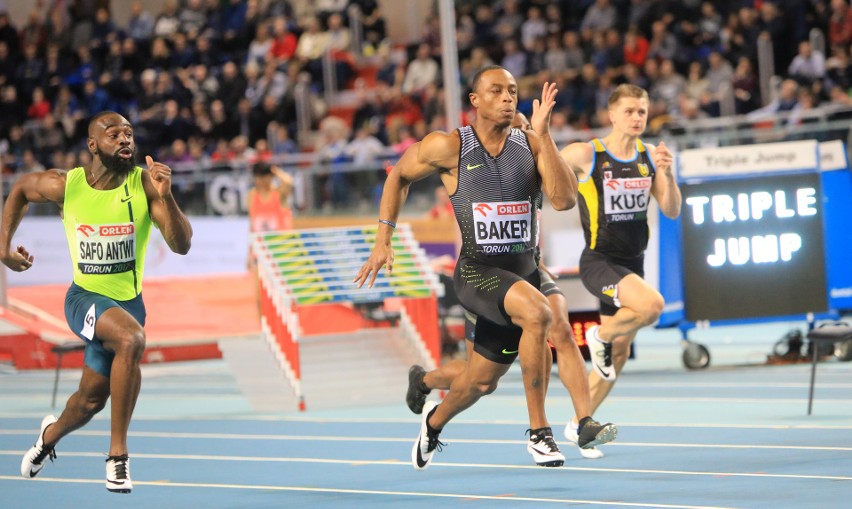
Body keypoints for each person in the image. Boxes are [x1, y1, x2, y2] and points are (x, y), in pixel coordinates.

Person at [355, 65, 578, 469]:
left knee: (480, 381)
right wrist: (382, 239)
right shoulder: (450, 147)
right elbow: (398, 177)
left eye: (512, 90)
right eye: (496, 91)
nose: (508, 97)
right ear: (474, 101)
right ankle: (540, 434)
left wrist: (544, 137)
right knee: (540, 313)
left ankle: (431, 414)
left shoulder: (530, 144)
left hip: (523, 271)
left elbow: (563, 201)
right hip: (478, 272)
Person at [1, 111, 193, 493]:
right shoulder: (66, 185)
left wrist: (167, 197)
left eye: (129, 133)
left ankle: (48, 438)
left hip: (128, 306)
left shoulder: (145, 185)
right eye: (114, 134)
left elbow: (181, 245)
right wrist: (3, 249)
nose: (125, 139)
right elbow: (21, 188)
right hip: (84, 299)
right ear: (92, 145)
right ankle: (117, 457)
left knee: (90, 402)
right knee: (131, 340)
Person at [407, 112, 617, 460]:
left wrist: (543, 135)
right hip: (485, 278)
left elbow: (563, 198)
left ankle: (584, 422)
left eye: (520, 127)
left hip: (530, 271)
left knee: (559, 325)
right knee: (481, 381)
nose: (514, 135)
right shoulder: (470, 157)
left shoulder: (535, 149)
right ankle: (431, 402)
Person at [558, 84, 681, 422]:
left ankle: (580, 423)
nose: (637, 117)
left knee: (621, 353)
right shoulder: (587, 153)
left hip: (632, 264)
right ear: (611, 115)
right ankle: (599, 336)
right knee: (653, 306)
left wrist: (668, 174)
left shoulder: (648, 158)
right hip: (600, 261)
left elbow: (671, 209)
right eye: (629, 111)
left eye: (642, 111)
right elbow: (544, 169)